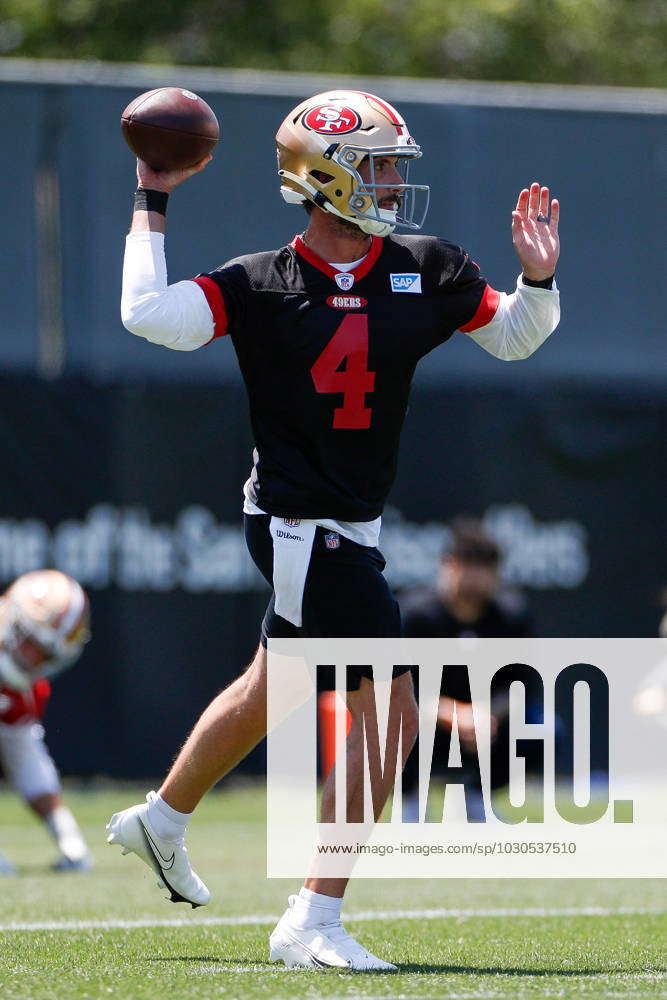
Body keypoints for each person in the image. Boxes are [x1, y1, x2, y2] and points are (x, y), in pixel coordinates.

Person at [109, 90, 561, 970]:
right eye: (381, 165)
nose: (395, 184)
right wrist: (150, 197)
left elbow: (514, 339)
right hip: (294, 523)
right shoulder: (260, 282)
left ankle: (159, 819)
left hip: (346, 524)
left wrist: (537, 280)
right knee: (390, 718)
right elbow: (145, 316)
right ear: (327, 177)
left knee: (273, 683)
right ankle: (311, 920)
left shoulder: (425, 267)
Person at [400, 517, 534, 820]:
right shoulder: (413, 614)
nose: (475, 580)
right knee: (393, 718)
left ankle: (478, 797)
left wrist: (486, 715)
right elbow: (399, 687)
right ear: (448, 565)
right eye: (467, 567)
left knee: (543, 728)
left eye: (484, 570)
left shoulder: (511, 616)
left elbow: (520, 687)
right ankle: (410, 805)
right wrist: (455, 715)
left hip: (487, 726)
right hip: (427, 723)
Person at [0, 570, 91, 873]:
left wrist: (66, 835)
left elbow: (25, 760)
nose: (35, 660)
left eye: (45, 654)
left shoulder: (24, 689)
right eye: (32, 643)